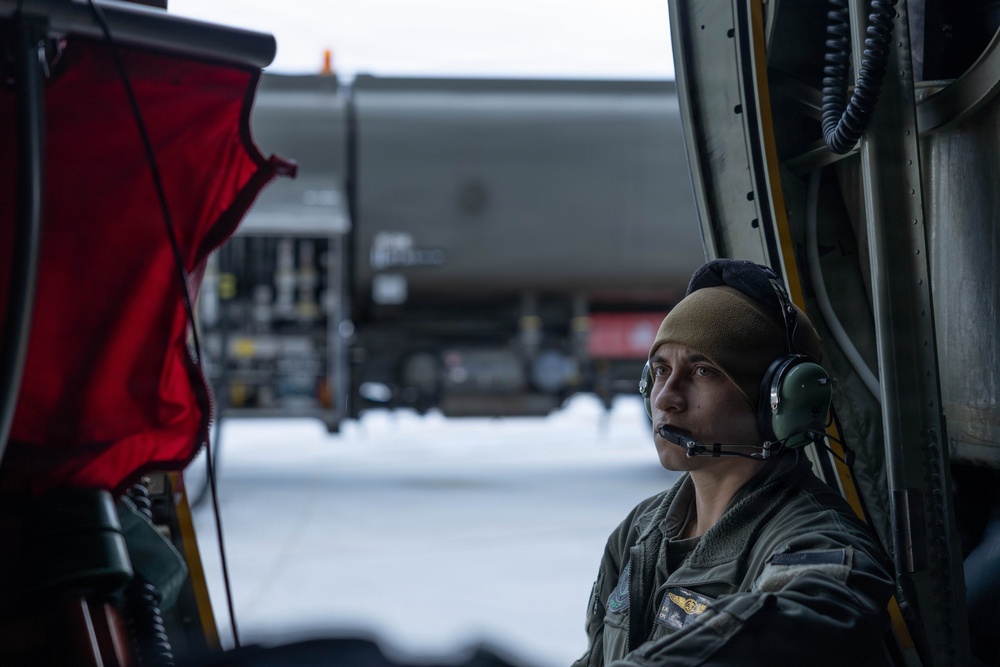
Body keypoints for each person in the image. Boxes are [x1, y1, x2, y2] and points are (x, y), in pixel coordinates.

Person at [573, 259, 895, 667]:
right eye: (660, 370)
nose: (665, 397)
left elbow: (815, 611)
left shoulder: (818, 540)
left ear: (777, 403)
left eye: (703, 370)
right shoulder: (638, 533)